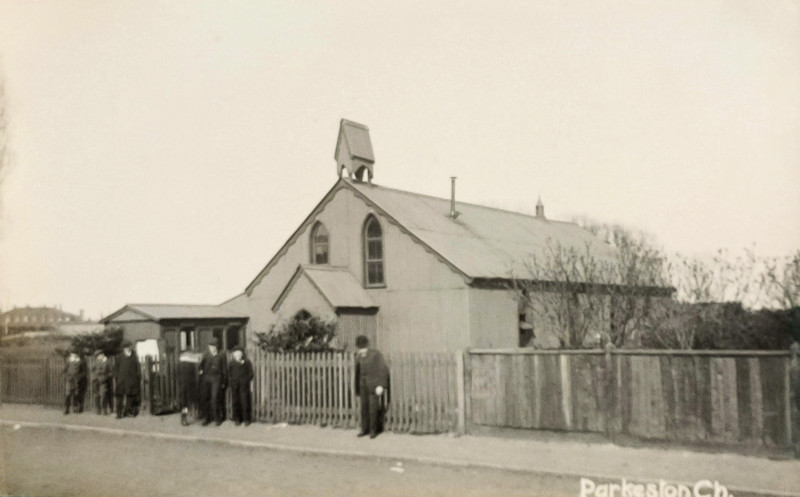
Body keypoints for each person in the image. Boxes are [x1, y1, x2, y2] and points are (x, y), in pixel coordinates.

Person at [354, 335, 390, 439]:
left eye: (362, 346)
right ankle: (364, 429)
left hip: (374, 385)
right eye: (359, 347)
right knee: (363, 408)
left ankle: (373, 431)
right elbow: (357, 372)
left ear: (367, 345)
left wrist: (381, 385)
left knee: (373, 408)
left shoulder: (376, 354)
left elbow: (383, 369)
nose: (361, 349)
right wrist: (357, 387)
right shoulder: (358, 355)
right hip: (362, 385)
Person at [199, 337, 227, 426]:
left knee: (215, 398)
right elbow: (200, 366)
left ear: (217, 346)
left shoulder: (222, 355)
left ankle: (217, 418)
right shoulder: (206, 355)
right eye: (210, 346)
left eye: (214, 346)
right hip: (207, 378)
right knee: (206, 398)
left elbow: (224, 369)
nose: (212, 348)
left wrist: (223, 382)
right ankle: (207, 418)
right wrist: (200, 371)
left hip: (217, 378)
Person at [228, 346, 254, 426]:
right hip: (235, 385)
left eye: (240, 354)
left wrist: (245, 380)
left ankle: (246, 419)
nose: (238, 355)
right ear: (234, 355)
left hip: (244, 385)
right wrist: (232, 381)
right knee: (235, 401)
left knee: (245, 401)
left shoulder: (247, 362)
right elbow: (229, 374)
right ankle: (237, 419)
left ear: (242, 354)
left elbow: (251, 374)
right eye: (236, 354)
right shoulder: (231, 363)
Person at [115, 340, 141, 418]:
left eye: (128, 347)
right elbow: (116, 368)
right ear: (123, 348)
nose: (127, 348)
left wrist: (138, 377)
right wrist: (118, 377)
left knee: (130, 397)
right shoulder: (119, 357)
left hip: (132, 380)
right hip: (121, 380)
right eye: (126, 347)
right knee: (120, 397)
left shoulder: (134, 356)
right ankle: (118, 414)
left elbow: (137, 367)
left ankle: (127, 411)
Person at [178, 349, 202, 426]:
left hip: (191, 385)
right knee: (185, 403)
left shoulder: (191, 364)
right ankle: (184, 417)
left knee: (192, 401)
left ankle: (193, 415)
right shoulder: (181, 364)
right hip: (185, 386)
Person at [91, 349, 114, 415]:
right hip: (96, 380)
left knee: (103, 395)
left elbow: (111, 371)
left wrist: (106, 377)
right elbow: (92, 370)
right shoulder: (95, 362)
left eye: (100, 355)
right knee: (96, 395)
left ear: (103, 354)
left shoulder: (108, 362)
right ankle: (98, 409)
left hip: (104, 381)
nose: (99, 357)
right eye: (97, 356)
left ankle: (104, 409)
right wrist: (94, 376)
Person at [64, 350, 86, 415]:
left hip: (77, 381)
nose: (73, 356)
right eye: (72, 355)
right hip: (69, 380)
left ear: (77, 355)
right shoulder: (68, 361)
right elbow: (64, 370)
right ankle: (67, 408)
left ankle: (75, 408)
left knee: (76, 394)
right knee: (68, 394)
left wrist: (79, 377)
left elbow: (84, 372)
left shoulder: (81, 362)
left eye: (75, 355)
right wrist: (67, 377)